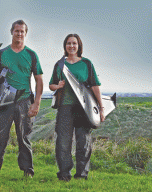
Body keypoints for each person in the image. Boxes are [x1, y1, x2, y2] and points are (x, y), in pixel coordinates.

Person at [0, 20, 43, 180]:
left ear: (25, 33)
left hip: (24, 101)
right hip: (4, 101)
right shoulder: (2, 54)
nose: (19, 34)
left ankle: (27, 171)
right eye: (16, 31)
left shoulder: (31, 55)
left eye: (22, 31)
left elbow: (39, 80)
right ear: (12, 32)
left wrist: (36, 103)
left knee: (24, 138)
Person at [49, 34, 105, 181]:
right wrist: (58, 85)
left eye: (74, 43)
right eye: (69, 43)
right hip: (65, 107)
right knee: (63, 142)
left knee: (83, 142)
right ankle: (64, 174)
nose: (71, 46)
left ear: (79, 45)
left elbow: (94, 86)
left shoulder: (86, 64)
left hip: (84, 109)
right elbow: (51, 85)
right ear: (65, 46)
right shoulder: (59, 64)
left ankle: (81, 175)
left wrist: (101, 108)